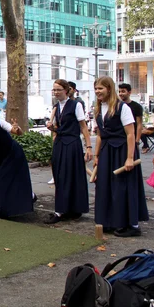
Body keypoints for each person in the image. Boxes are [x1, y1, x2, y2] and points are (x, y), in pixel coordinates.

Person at [93, 76, 148, 237]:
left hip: (122, 151)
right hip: (106, 151)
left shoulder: (122, 107)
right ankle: (111, 221)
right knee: (105, 186)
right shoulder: (98, 108)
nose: (97, 91)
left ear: (109, 89)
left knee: (123, 187)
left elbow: (130, 134)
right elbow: (100, 135)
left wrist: (130, 157)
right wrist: (97, 156)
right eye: (96, 88)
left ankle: (132, 225)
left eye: (100, 88)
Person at [44, 79, 92, 224]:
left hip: (72, 144)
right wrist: (52, 128)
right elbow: (59, 128)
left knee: (72, 176)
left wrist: (88, 147)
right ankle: (63, 208)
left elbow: (83, 127)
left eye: (58, 89)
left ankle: (69, 209)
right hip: (60, 142)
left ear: (66, 90)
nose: (56, 92)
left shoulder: (76, 105)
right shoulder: (57, 107)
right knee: (59, 175)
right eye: (54, 90)